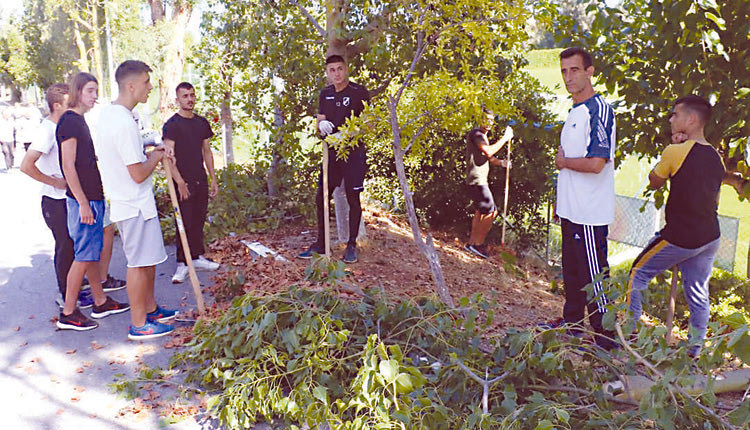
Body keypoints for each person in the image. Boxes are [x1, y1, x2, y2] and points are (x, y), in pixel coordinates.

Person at [628, 95, 723, 356]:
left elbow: (654, 181)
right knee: (697, 293)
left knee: (638, 273)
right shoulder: (717, 156)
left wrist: (670, 150)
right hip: (709, 237)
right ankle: (695, 351)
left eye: (675, 115)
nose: (671, 119)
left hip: (681, 237)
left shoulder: (674, 151)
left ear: (691, 120)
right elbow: (714, 198)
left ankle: (629, 336)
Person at [96, 60, 177, 340]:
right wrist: (156, 155)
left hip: (135, 202)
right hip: (133, 203)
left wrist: (149, 147)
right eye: (146, 82)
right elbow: (138, 173)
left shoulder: (113, 115)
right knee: (138, 263)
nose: (150, 87)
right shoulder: (122, 123)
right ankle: (139, 323)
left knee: (149, 259)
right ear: (131, 86)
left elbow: (127, 154)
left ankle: (151, 308)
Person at [545, 47, 617, 350]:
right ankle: (572, 323)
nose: (568, 77)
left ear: (590, 72)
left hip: (589, 213)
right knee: (573, 273)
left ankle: (606, 338)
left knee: (594, 275)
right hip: (572, 210)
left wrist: (564, 163)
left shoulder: (598, 110)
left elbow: (597, 162)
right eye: (564, 71)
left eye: (574, 70)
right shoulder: (575, 110)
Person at [57, 72, 130, 331]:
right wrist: (84, 203)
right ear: (77, 92)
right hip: (84, 202)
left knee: (89, 255)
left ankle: (100, 301)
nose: (94, 96)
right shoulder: (70, 122)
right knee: (84, 256)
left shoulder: (79, 121)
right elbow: (68, 165)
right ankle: (68, 312)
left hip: (92, 198)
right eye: (89, 90)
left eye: (96, 91)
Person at [298, 54, 370, 263]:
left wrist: (348, 133)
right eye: (332, 70)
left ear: (346, 69)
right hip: (332, 154)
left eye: (340, 68)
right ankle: (321, 244)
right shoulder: (325, 93)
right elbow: (320, 119)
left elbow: (368, 123)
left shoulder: (359, 92)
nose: (336, 73)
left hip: (353, 152)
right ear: (327, 73)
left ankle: (351, 245)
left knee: (352, 197)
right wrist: (321, 126)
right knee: (321, 196)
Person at [162, 82, 220, 283]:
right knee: (183, 221)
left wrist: (213, 178)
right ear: (177, 99)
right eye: (185, 96)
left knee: (198, 218)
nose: (190, 99)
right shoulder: (172, 125)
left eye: (192, 95)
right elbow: (168, 157)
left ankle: (196, 257)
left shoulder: (202, 123)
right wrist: (179, 182)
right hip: (182, 180)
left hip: (199, 177)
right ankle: (182, 262)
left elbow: (207, 151)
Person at [464, 109, 513, 259]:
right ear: (480, 118)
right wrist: (505, 138)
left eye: (492, 120)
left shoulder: (482, 136)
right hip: (477, 180)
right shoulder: (477, 134)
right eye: (487, 119)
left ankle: (472, 243)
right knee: (491, 211)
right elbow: (488, 151)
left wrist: (502, 163)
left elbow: (490, 159)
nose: (490, 123)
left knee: (481, 210)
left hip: (478, 180)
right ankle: (477, 245)